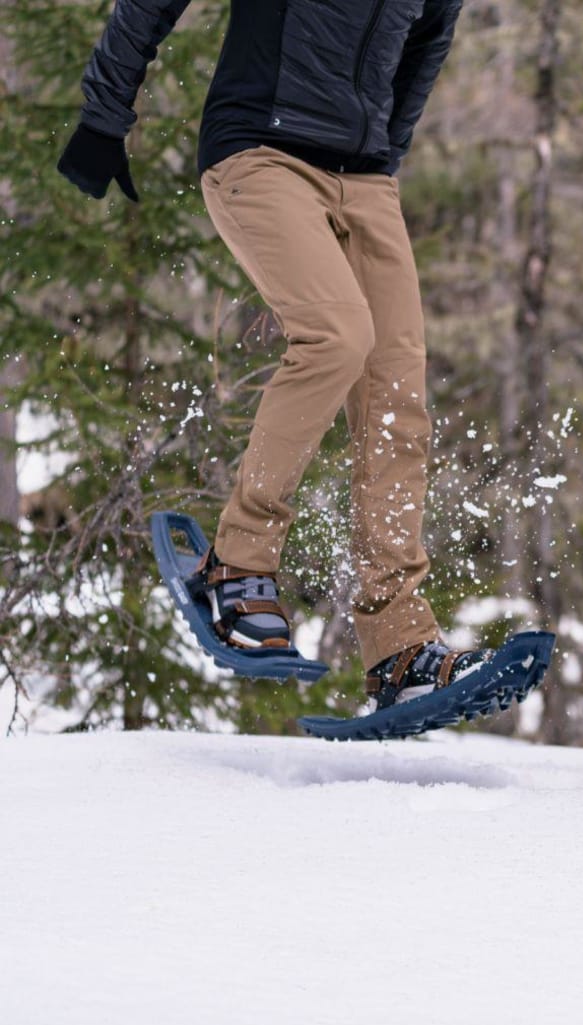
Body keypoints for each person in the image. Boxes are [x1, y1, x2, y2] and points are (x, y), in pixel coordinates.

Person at [58, 0, 531, 712]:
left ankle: (400, 643)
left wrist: (382, 150)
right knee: (337, 337)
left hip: (365, 177)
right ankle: (237, 566)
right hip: (261, 150)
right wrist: (105, 112)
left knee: (396, 393)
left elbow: (426, 42)